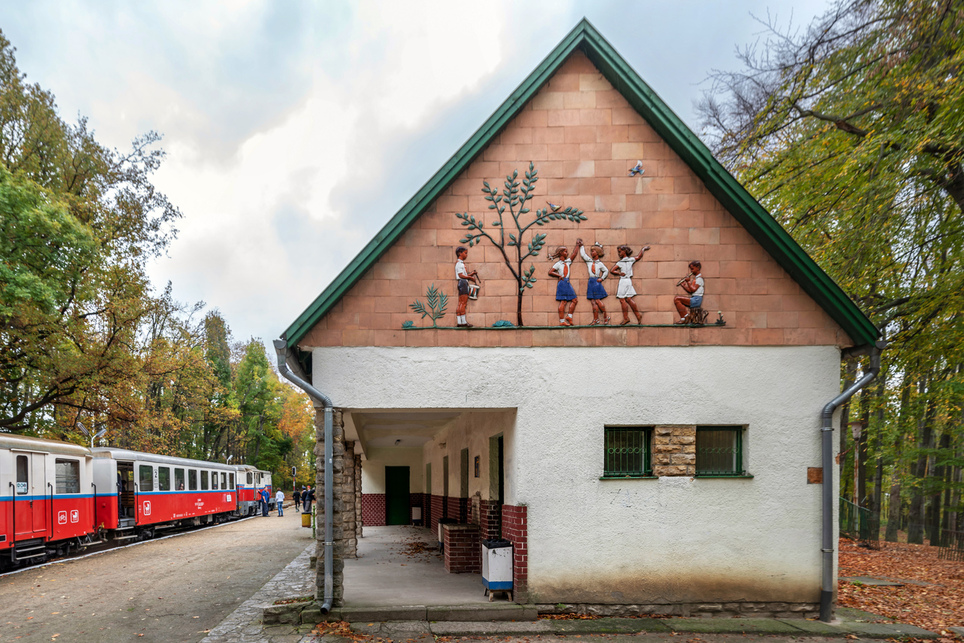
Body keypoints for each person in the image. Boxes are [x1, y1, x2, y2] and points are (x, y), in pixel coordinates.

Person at [610, 244, 650, 325]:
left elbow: (612, 270)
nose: (619, 253)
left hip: (623, 281)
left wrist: (619, 273)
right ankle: (638, 315)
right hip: (628, 281)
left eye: (620, 252)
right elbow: (639, 256)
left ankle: (626, 318)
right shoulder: (630, 260)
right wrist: (643, 249)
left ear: (624, 251)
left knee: (622, 300)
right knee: (628, 299)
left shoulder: (621, 262)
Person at [577, 239, 611, 325]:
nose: (592, 253)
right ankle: (596, 319)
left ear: (598, 252)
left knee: (598, 300)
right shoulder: (589, 261)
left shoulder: (600, 264)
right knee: (593, 302)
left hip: (596, 281)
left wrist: (602, 278)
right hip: (591, 281)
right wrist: (581, 246)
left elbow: (606, 271)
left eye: (593, 251)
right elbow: (583, 255)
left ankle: (605, 316)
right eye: (591, 251)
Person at [548, 244, 578, 326]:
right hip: (562, 282)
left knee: (574, 300)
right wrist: (559, 275)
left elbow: (574, 255)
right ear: (561, 253)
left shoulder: (567, 262)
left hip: (567, 282)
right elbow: (550, 272)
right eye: (565, 251)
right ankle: (562, 321)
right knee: (563, 301)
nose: (567, 253)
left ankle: (569, 316)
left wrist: (577, 246)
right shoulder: (558, 264)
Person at [454, 246, 478, 328]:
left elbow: (464, 274)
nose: (466, 255)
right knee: (463, 303)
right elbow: (461, 275)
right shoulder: (459, 264)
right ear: (460, 253)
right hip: (463, 283)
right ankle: (463, 322)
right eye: (465, 253)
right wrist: (470, 278)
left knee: (461, 303)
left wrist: (471, 274)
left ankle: (459, 321)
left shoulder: (460, 264)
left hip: (462, 282)